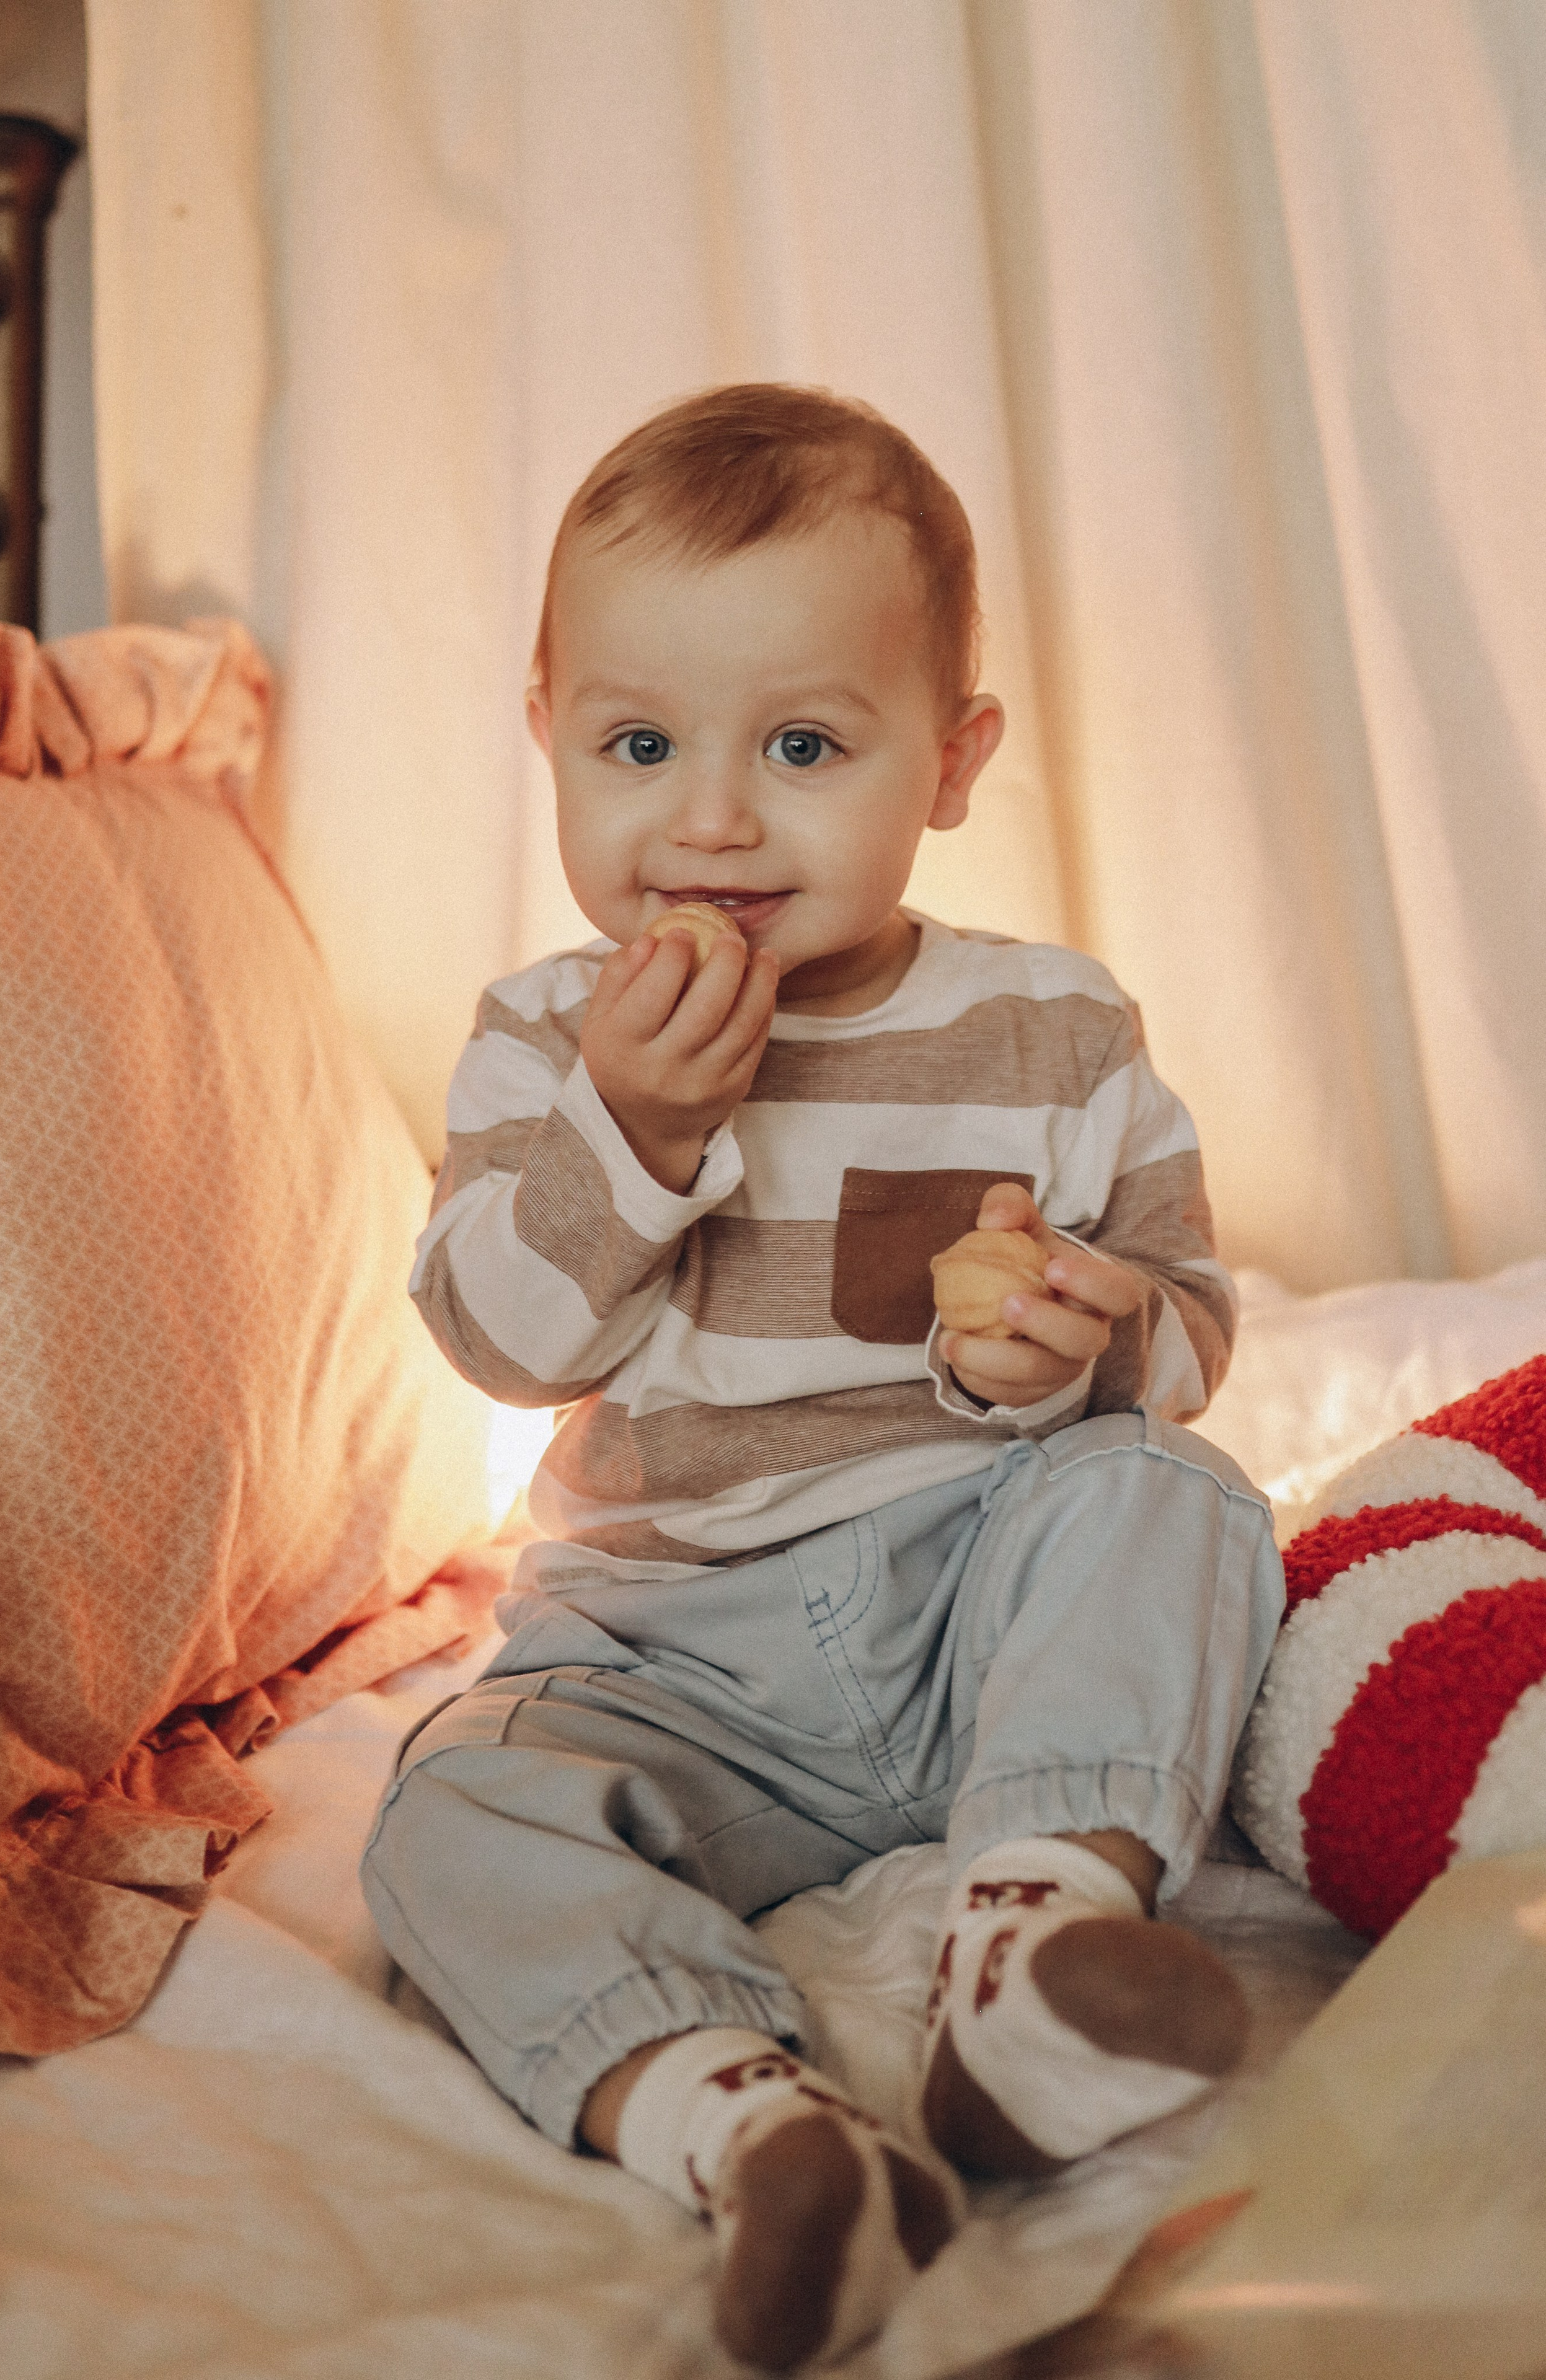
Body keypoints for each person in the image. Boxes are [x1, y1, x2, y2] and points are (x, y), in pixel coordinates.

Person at [362, 385, 1283, 2373]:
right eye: (637, 745)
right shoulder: (543, 1040)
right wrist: (628, 1137)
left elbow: (1197, 1321)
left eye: (801, 745)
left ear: (950, 764)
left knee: (1173, 1498)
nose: (707, 818)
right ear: (546, 735)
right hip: (669, 1652)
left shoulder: (1051, 1022)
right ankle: (751, 2125)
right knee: (443, 1811)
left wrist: (1101, 1337)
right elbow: (494, 1337)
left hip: (970, 1601)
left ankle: (1029, 1952)